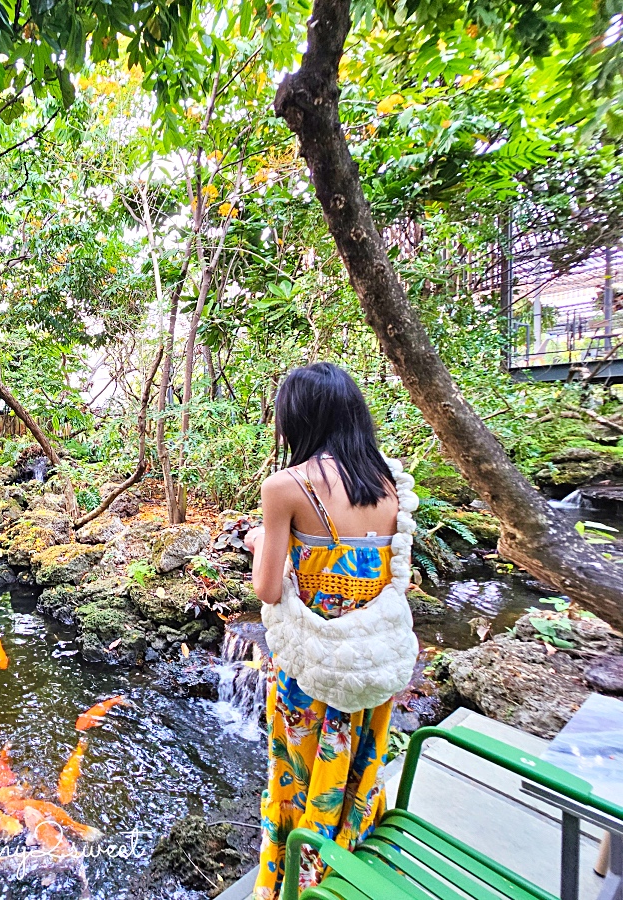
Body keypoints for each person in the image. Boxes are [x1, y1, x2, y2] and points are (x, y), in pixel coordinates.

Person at [244, 362, 403, 899]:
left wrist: (256, 547)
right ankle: (350, 871)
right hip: (368, 666)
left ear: (300, 418)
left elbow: (267, 590)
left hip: (312, 670)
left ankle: (294, 882)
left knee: (300, 778)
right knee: (354, 772)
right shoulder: (388, 483)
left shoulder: (286, 486)